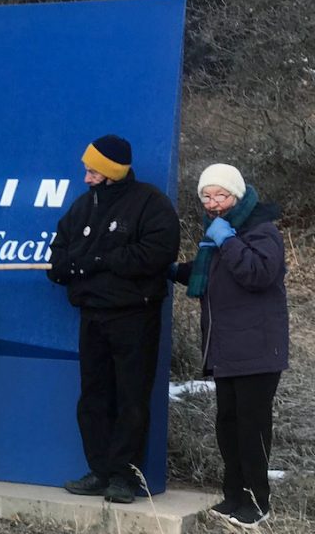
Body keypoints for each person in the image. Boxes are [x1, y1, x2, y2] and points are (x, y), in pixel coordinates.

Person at [46, 135, 180, 503]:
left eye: (93, 171)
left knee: (131, 398)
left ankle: (124, 476)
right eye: (87, 170)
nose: (87, 178)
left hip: (134, 316)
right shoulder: (82, 206)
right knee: (93, 397)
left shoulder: (151, 204)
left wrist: (102, 262)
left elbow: (156, 254)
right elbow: (60, 250)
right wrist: (64, 268)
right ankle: (99, 471)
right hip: (92, 316)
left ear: (111, 173)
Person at [170, 163, 288, 528]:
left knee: (251, 428)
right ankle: (234, 494)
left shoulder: (260, 231)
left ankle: (257, 501)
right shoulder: (222, 235)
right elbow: (215, 275)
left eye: (220, 195)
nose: (213, 202)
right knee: (229, 425)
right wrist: (174, 270)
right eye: (206, 196)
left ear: (237, 195)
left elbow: (257, 273)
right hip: (227, 349)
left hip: (257, 349)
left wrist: (227, 240)